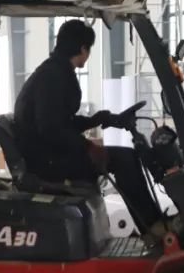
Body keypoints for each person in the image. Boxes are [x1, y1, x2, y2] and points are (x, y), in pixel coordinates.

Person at [13, 19, 162, 232]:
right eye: (89, 49)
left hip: (49, 154)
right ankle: (156, 229)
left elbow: (62, 121)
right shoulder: (52, 77)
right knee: (124, 159)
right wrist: (87, 146)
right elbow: (50, 128)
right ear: (83, 48)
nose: (88, 54)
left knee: (125, 156)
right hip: (47, 162)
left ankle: (153, 224)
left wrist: (99, 119)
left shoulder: (55, 71)